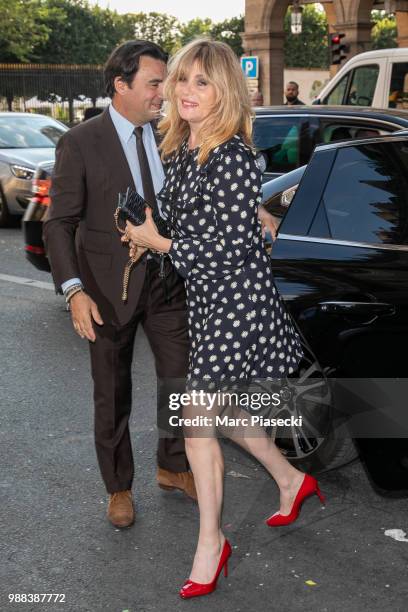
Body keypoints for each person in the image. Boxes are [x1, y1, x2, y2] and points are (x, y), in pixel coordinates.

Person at [124, 39, 326, 599]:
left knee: (196, 424)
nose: (185, 92)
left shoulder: (234, 157)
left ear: (225, 93)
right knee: (229, 415)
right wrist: (142, 225)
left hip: (237, 303)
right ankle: (293, 480)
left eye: (201, 83)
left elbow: (229, 249)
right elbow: (182, 219)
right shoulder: (185, 152)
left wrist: (158, 241)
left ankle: (210, 543)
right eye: (181, 80)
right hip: (210, 303)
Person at [43, 40, 198, 529]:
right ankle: (118, 487)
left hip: (167, 282)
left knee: (180, 380)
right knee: (112, 393)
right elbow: (58, 223)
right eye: (155, 83)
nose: (163, 93)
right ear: (122, 85)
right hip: (107, 291)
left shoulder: (171, 135)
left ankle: (173, 467)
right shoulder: (80, 142)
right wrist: (74, 290)